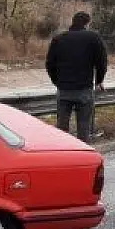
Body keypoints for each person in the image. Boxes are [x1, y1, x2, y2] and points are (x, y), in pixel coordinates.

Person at [45, 11, 109, 143]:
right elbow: (101, 62)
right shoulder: (93, 38)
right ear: (87, 23)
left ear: (72, 22)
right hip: (84, 90)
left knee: (61, 129)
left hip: (64, 90)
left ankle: (62, 156)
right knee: (83, 128)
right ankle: (82, 157)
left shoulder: (58, 39)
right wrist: (99, 81)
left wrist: (57, 82)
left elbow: (49, 64)